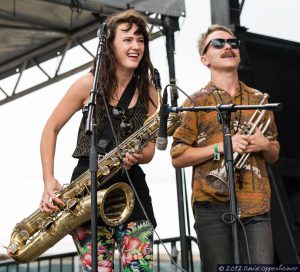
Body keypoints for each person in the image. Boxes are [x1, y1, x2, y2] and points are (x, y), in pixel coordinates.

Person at [39, 9, 158, 271]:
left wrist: (140, 156)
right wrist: (49, 180)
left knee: (139, 268)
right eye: (127, 39)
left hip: (132, 184)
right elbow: (51, 128)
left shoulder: (150, 90)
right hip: (86, 187)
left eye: (140, 40)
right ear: (109, 44)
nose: (136, 46)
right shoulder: (87, 83)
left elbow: (150, 149)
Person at [170, 24, 280, 270]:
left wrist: (264, 144)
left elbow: (274, 154)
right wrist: (223, 147)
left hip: (256, 206)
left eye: (232, 43)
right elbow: (177, 156)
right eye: (218, 43)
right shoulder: (195, 103)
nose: (228, 47)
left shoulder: (259, 100)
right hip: (211, 207)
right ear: (204, 59)